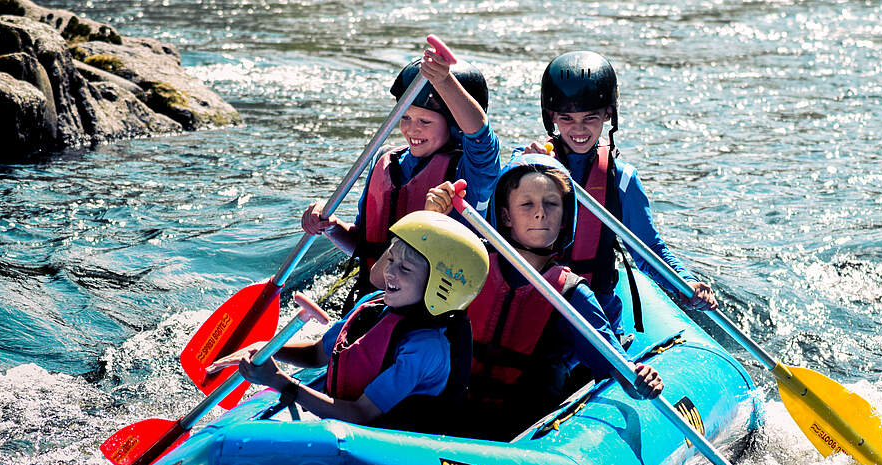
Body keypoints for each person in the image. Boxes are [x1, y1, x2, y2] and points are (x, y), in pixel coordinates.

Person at [425, 154, 663, 440]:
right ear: (505, 216)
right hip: (446, 418)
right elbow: (390, 282)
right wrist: (430, 220)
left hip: (520, 435)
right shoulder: (467, 265)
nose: (540, 213)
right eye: (527, 204)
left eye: (551, 204)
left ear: (564, 219)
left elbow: (616, 368)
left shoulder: (573, 295)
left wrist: (638, 378)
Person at [207, 211, 489, 433]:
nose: (390, 272)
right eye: (391, 260)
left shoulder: (425, 348)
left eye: (405, 268)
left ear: (442, 285)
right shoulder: (374, 304)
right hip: (346, 425)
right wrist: (267, 347)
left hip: (386, 442)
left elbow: (361, 414)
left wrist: (279, 381)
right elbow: (317, 354)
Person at [522, 50, 717, 341]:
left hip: (595, 313)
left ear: (608, 114)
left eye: (590, 117)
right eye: (567, 118)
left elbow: (649, 250)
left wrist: (685, 283)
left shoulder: (622, 180)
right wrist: (522, 170)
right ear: (552, 117)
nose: (578, 129)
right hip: (536, 304)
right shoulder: (528, 164)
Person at [301, 43, 501, 302]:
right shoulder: (387, 160)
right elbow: (364, 246)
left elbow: (481, 137)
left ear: (455, 126)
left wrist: (444, 81)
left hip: (430, 308)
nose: (411, 129)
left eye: (425, 121)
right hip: (371, 297)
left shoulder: (473, 172)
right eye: (405, 117)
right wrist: (329, 226)